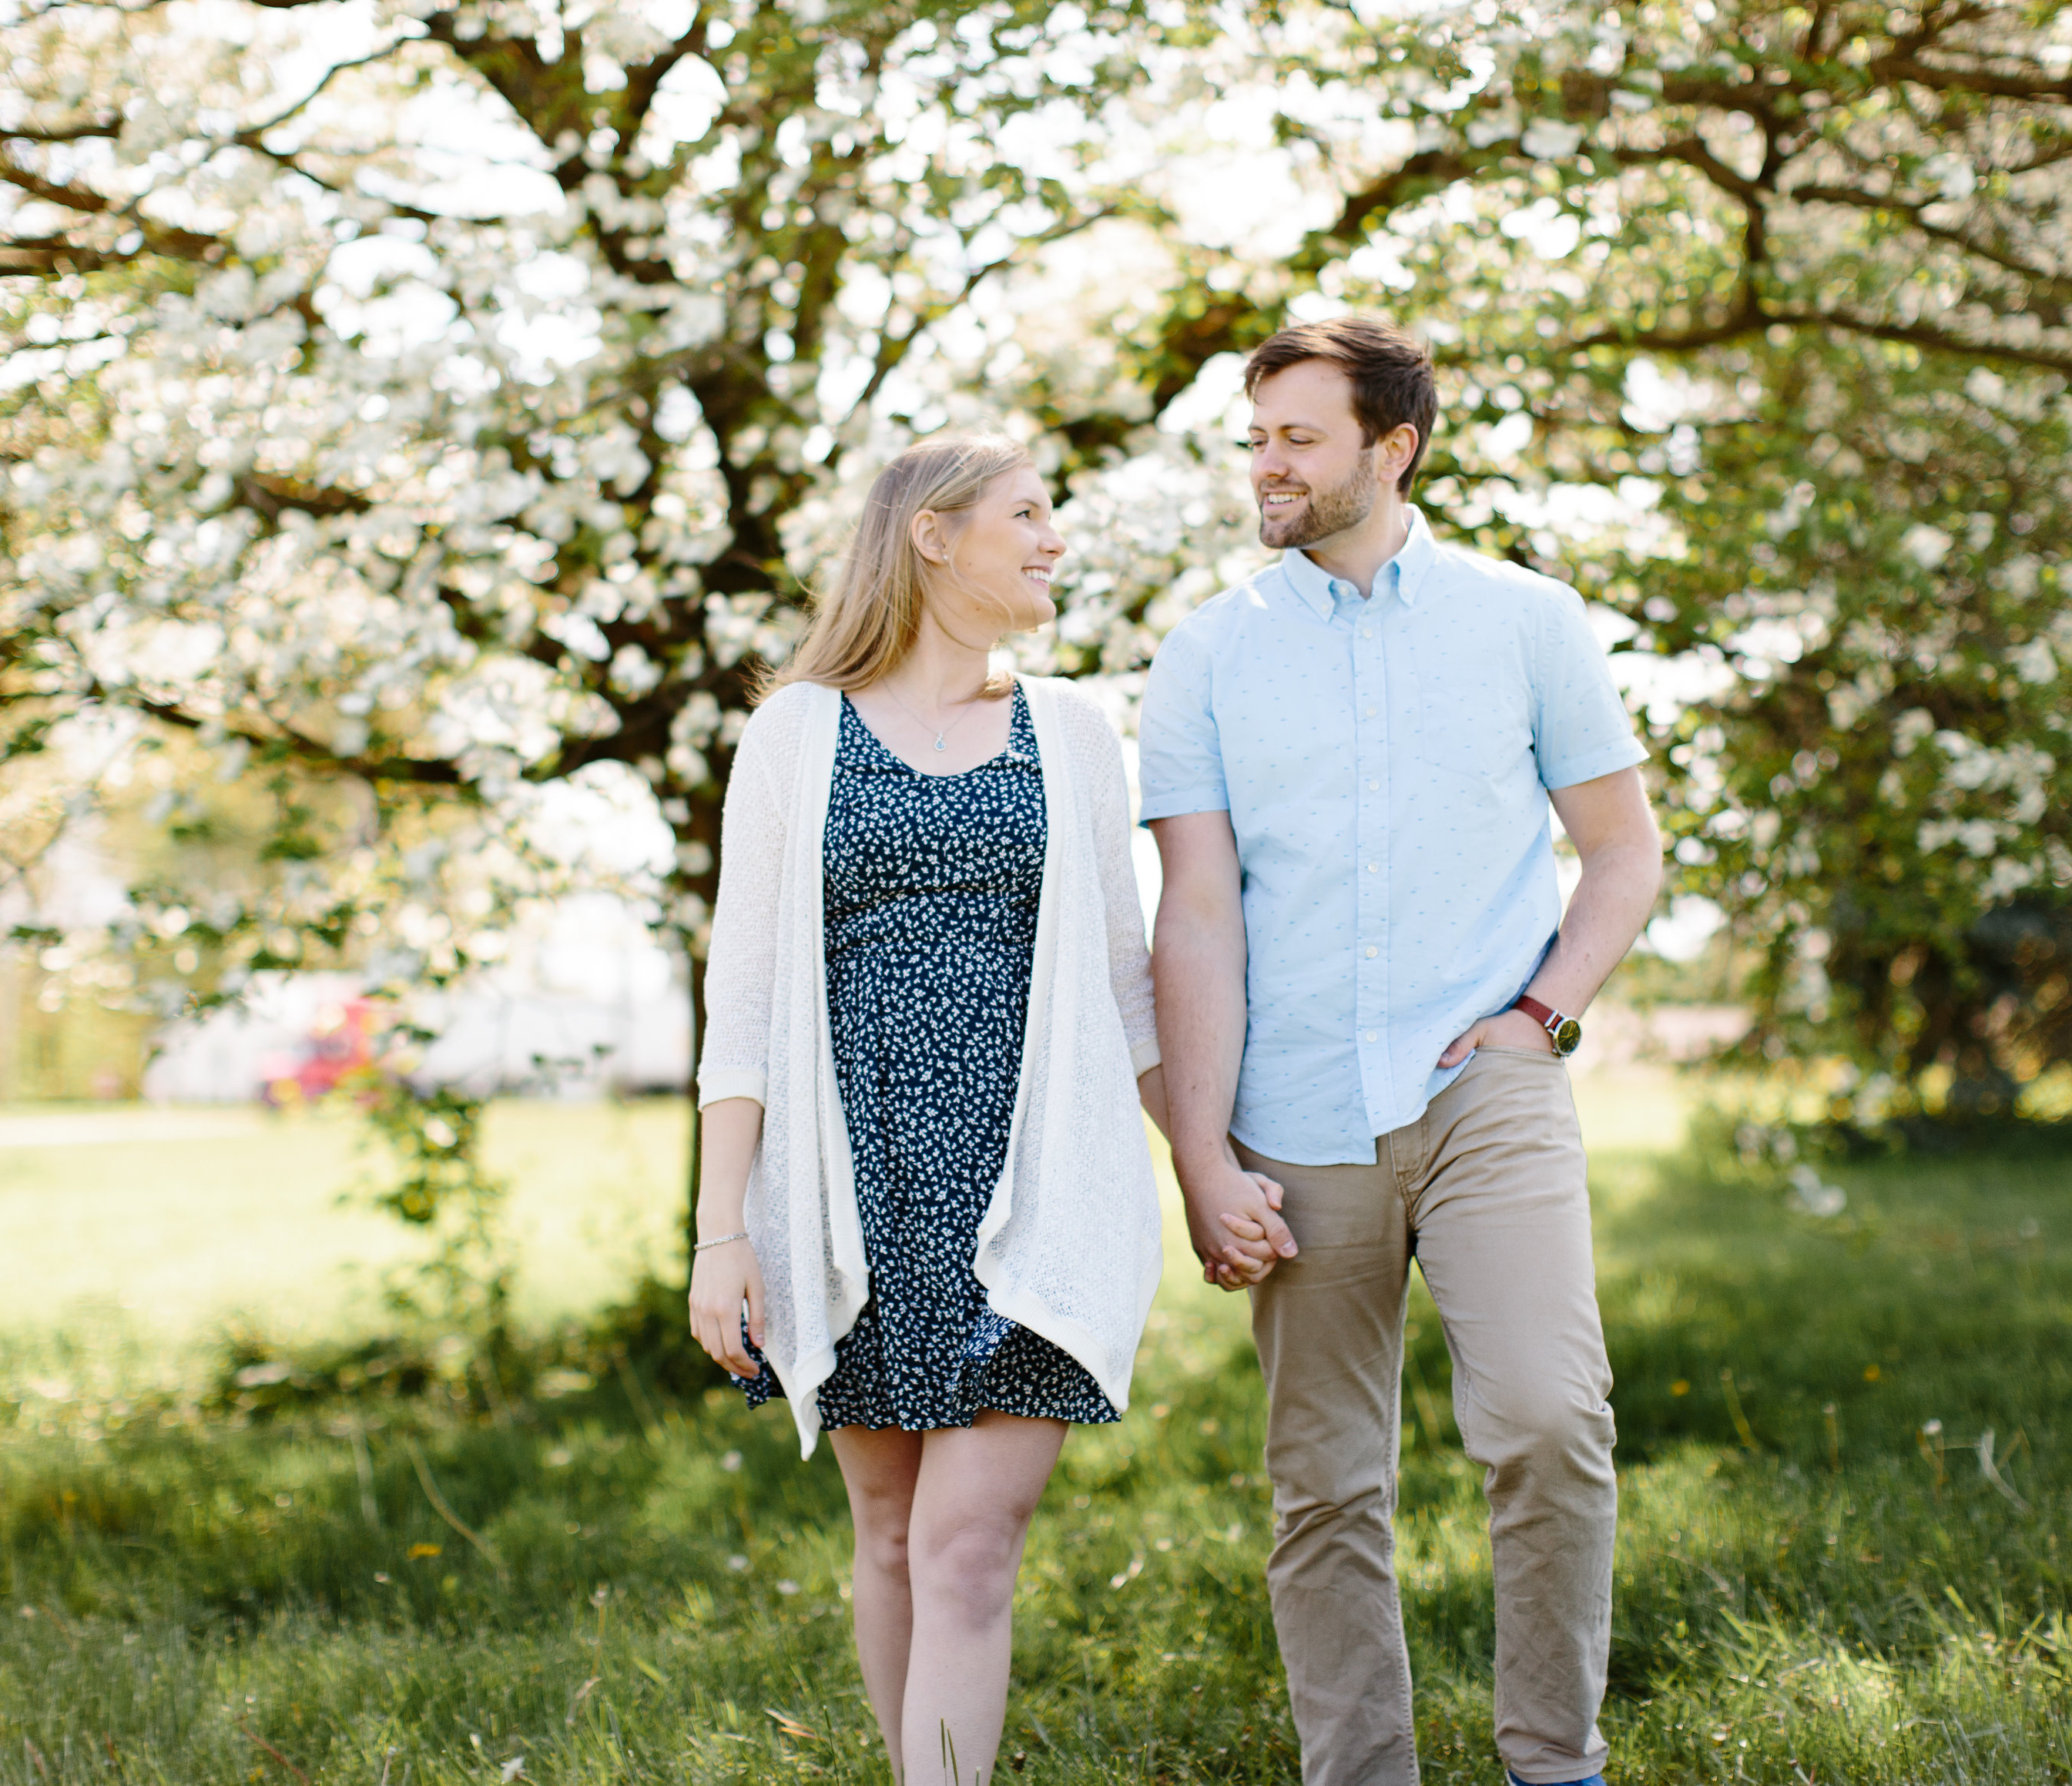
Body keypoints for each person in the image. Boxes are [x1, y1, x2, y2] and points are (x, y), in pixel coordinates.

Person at [1141, 316, 1665, 1786]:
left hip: (1485, 1078)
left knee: (1553, 1421)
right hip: (1293, 1108)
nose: (1268, 466)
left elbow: (1623, 854)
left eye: (1298, 437)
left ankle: (1553, 1763)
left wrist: (1539, 1012)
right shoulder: (1208, 653)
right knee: (1324, 1485)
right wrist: (1198, 1149)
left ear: (1394, 446)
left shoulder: (1526, 621)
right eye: (1257, 438)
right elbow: (1194, 915)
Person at [689, 431, 1168, 1786]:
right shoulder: (799, 732)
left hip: (1033, 1193)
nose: (1055, 539)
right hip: (854, 1193)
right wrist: (721, 1233)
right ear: (933, 536)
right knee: (892, 1537)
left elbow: (1129, 997)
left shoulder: (1073, 737)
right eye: (1028, 513)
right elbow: (747, 1003)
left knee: (967, 1545)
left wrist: (1206, 1173)